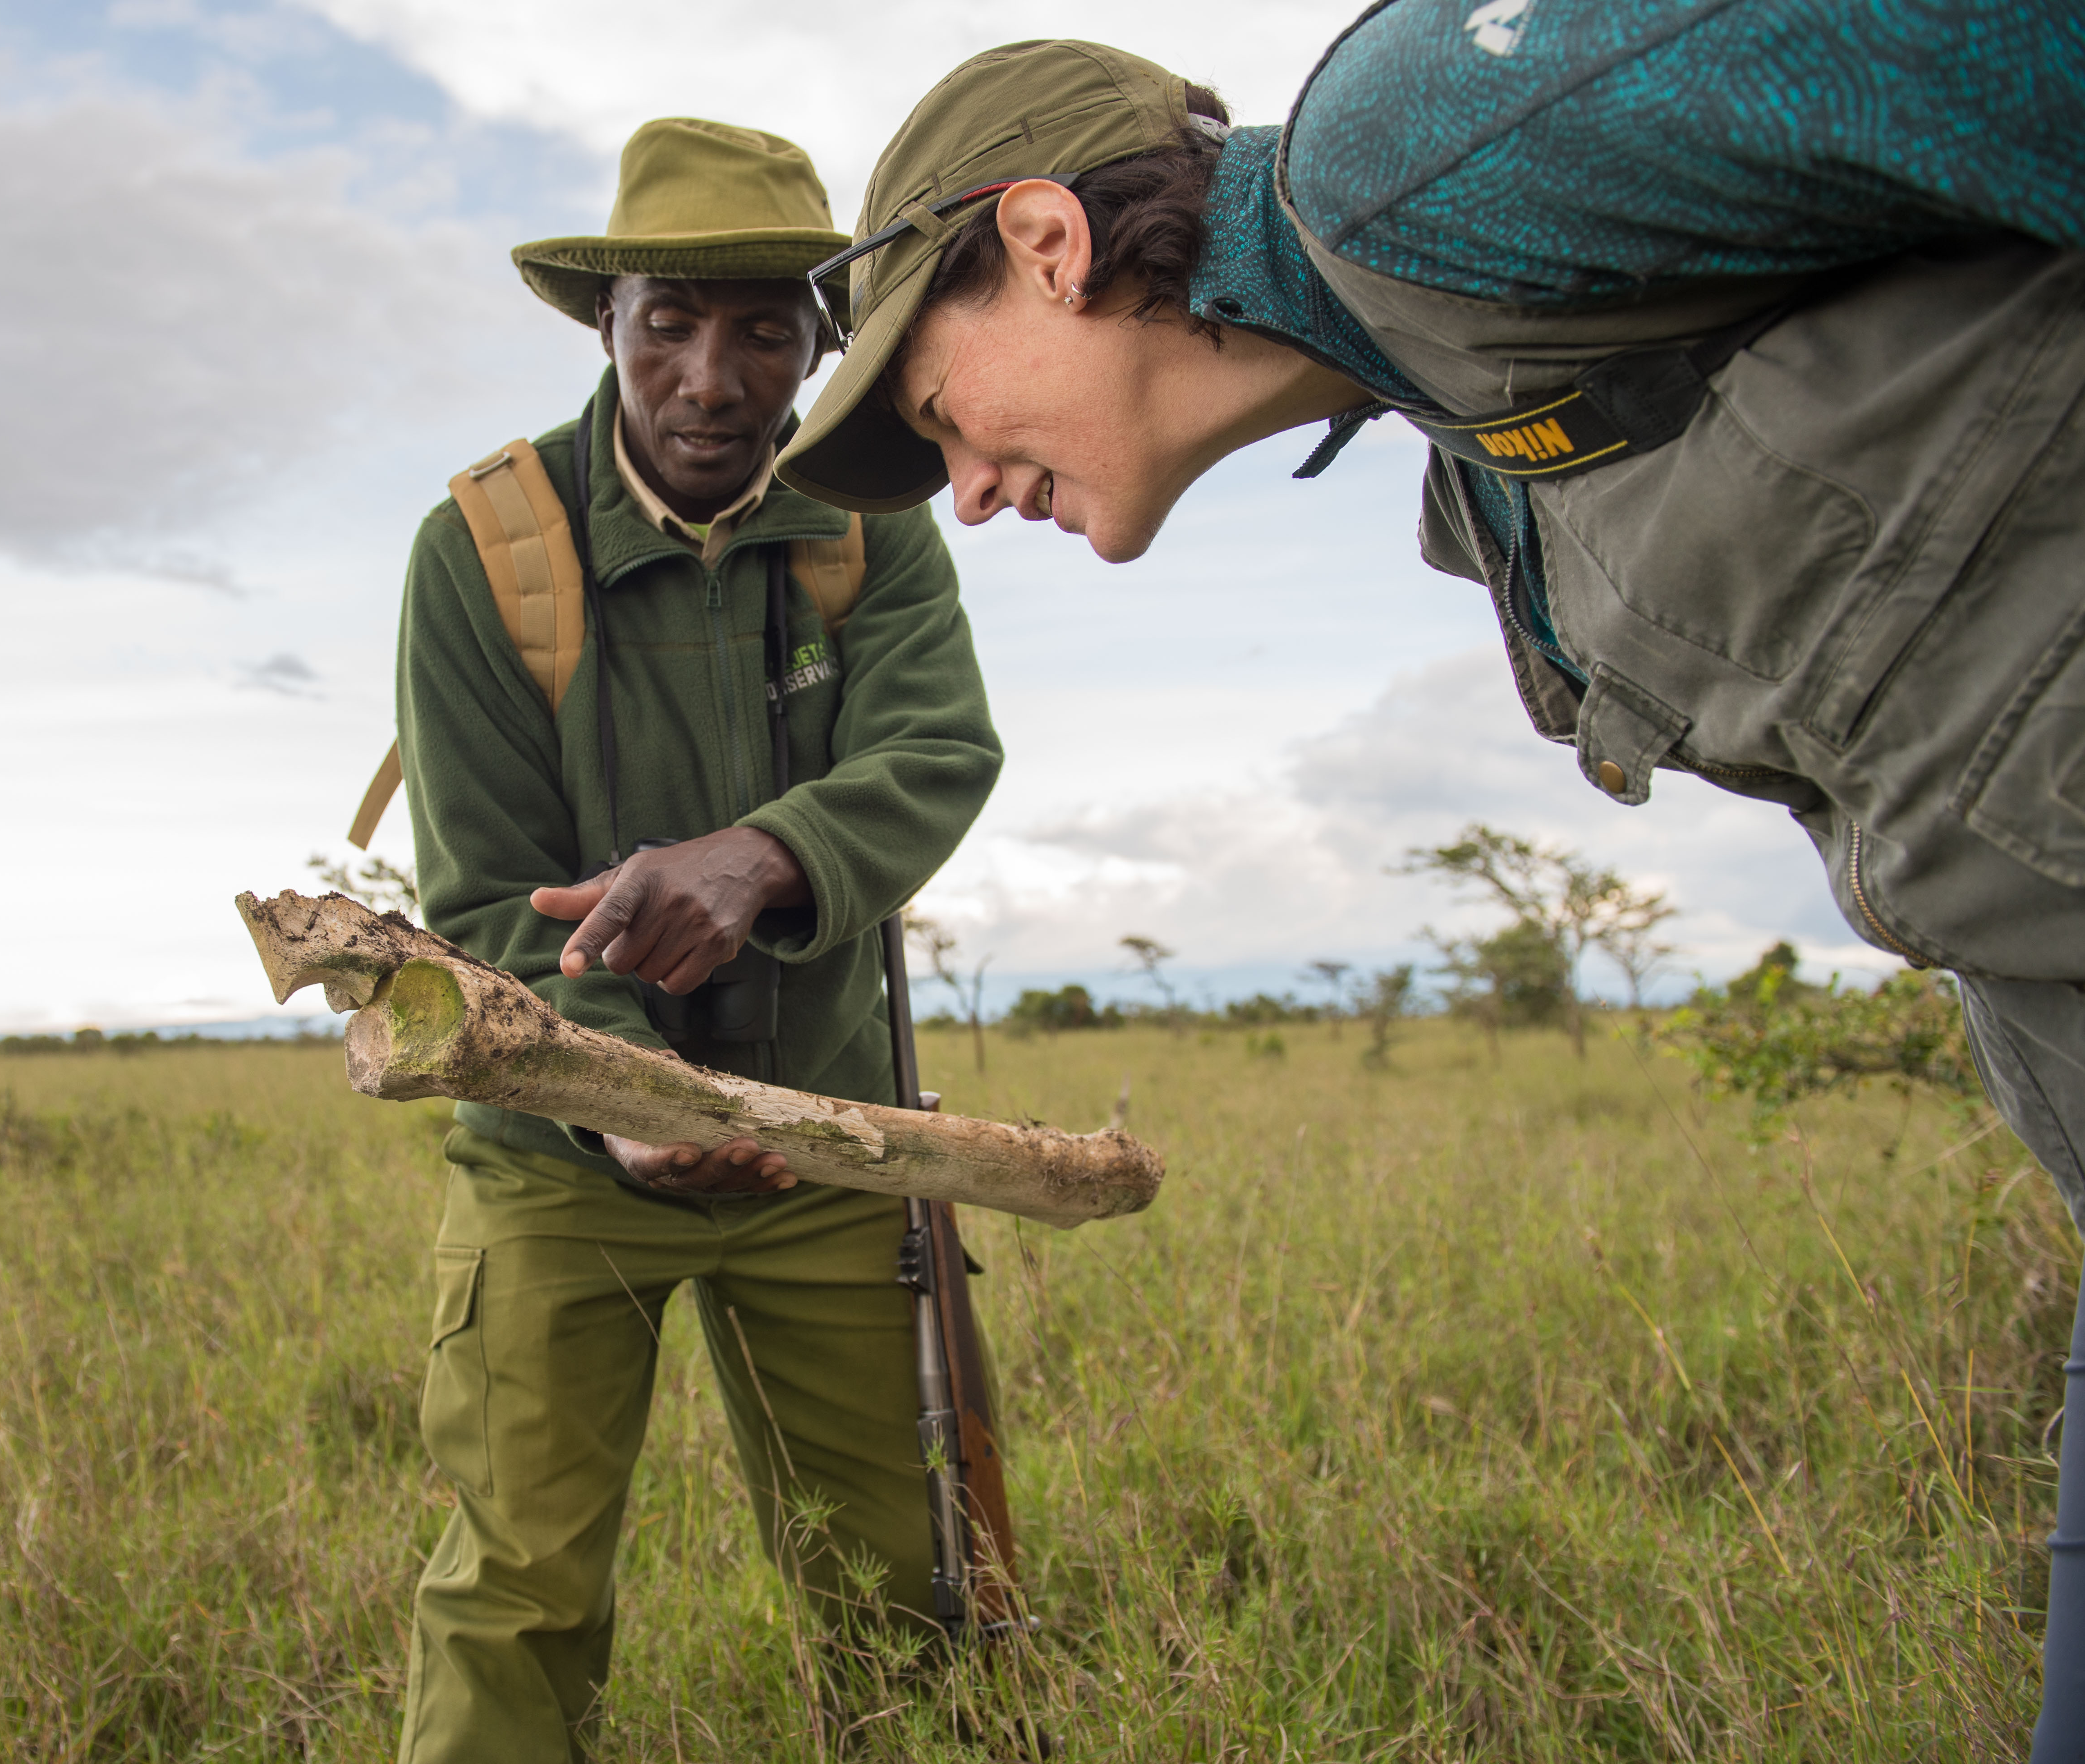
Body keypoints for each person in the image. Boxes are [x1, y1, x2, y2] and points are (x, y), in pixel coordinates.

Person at [772, 12, 2085, 1752]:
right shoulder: (1482, 441)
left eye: (941, 411)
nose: (969, 491)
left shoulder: (1422, 143)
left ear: (1045, 242)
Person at [386, 116, 1002, 1763]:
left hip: (832, 1147)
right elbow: (479, 902)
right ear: (610, 323)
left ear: (821, 346)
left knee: (900, 1581)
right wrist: (639, 1107)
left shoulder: (874, 525)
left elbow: (937, 755)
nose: (711, 379)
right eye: (670, 321)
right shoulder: (486, 549)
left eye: (763, 330)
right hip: (556, 1161)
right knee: (517, 1593)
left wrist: (759, 857)